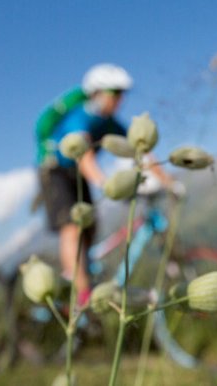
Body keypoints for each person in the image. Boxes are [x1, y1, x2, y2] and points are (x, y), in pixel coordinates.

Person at [36, 64, 172, 305]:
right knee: (73, 226)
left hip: (78, 175)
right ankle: (82, 295)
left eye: (121, 94)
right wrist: (108, 185)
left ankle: (82, 277)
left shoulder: (109, 122)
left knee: (90, 229)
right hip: (55, 170)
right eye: (115, 93)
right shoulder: (81, 115)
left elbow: (140, 148)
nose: (119, 100)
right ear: (97, 93)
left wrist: (168, 181)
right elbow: (83, 155)